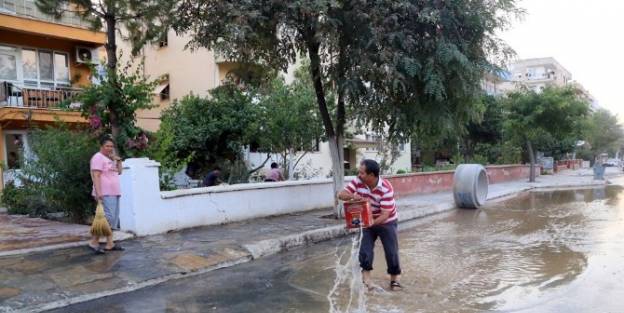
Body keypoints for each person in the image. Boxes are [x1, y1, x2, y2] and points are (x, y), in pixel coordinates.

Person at [338, 159, 402, 291]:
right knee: (364, 251)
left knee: (391, 251)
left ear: (372, 175)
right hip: (366, 219)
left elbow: (385, 215)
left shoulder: (386, 187)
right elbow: (341, 194)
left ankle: (394, 280)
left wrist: (369, 222)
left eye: (362, 173)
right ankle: (366, 281)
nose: (358, 175)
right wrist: (354, 197)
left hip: (387, 221)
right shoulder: (358, 181)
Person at [89, 136, 124, 254]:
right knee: (106, 218)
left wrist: (118, 160)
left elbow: (119, 172)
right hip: (105, 192)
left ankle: (110, 243)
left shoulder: (110, 158)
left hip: (114, 192)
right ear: (101, 146)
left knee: (112, 219)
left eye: (111, 146)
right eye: (107, 146)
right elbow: (96, 176)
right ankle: (94, 242)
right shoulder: (98, 158)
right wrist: (99, 193)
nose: (110, 148)